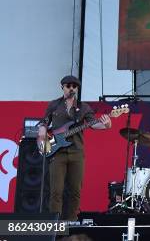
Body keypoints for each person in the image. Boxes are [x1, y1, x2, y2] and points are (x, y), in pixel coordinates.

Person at [37, 75, 111, 220]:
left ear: (77, 88)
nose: (71, 88)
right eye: (68, 86)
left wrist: (107, 124)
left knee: (75, 190)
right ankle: (55, 224)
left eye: (74, 86)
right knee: (56, 191)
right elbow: (44, 122)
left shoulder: (83, 107)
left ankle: (71, 222)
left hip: (77, 152)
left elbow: (94, 124)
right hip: (57, 153)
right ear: (62, 87)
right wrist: (42, 132)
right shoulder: (54, 105)